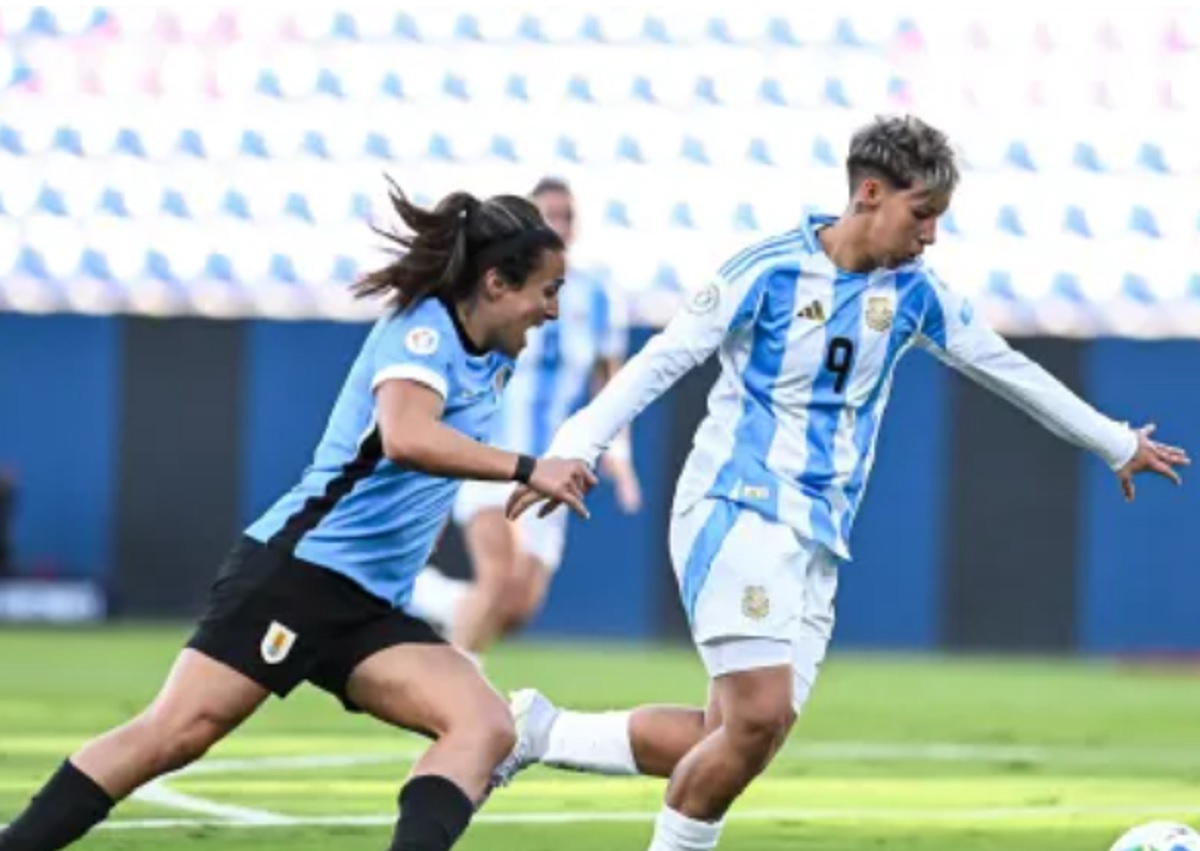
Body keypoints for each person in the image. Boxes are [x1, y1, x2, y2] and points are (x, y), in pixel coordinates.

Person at [492, 115, 1191, 851]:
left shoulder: (916, 294)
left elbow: (1007, 368)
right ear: (869, 193)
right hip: (737, 507)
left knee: (733, 736)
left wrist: (1114, 443)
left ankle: (543, 729)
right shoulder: (766, 270)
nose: (929, 237)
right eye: (922, 216)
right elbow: (663, 357)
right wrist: (575, 444)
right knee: (756, 719)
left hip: (820, 534)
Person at [0, 181, 598, 851]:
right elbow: (405, 435)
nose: (552, 309)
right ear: (495, 283)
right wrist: (525, 465)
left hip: (370, 604)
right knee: (174, 733)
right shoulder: (424, 330)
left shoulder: (492, 359)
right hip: (301, 575)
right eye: (547, 290)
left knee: (484, 724)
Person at [409, 177, 642, 654]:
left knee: (516, 605)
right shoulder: (500, 287)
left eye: (567, 216)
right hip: (490, 453)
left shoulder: (599, 297)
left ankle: (426, 596)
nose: (559, 225)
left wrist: (619, 452)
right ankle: (454, 704)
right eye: (548, 215)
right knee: (497, 578)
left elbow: (609, 381)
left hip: (551, 463)